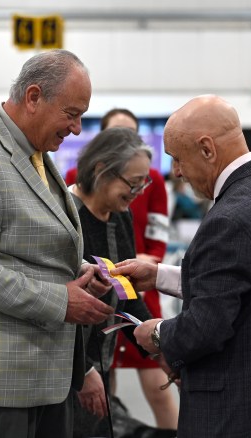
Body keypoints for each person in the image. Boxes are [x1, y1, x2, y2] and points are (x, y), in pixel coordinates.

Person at [111, 95, 251, 437]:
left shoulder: (230, 218)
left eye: (178, 158)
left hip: (239, 409)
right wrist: (159, 276)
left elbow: (205, 328)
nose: (178, 172)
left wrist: (156, 334)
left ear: (207, 149)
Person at [0, 49, 115, 438]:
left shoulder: (30, 149)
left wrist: (78, 272)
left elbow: (24, 246)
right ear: (33, 97)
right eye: (71, 113)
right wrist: (62, 300)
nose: (77, 128)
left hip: (39, 378)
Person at [65, 108, 178, 430]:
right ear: (101, 169)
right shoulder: (64, 214)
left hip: (98, 362)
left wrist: (158, 348)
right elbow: (53, 303)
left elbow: (126, 293)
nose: (137, 193)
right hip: (63, 371)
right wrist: (83, 371)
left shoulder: (119, 215)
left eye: (143, 185)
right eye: (132, 183)